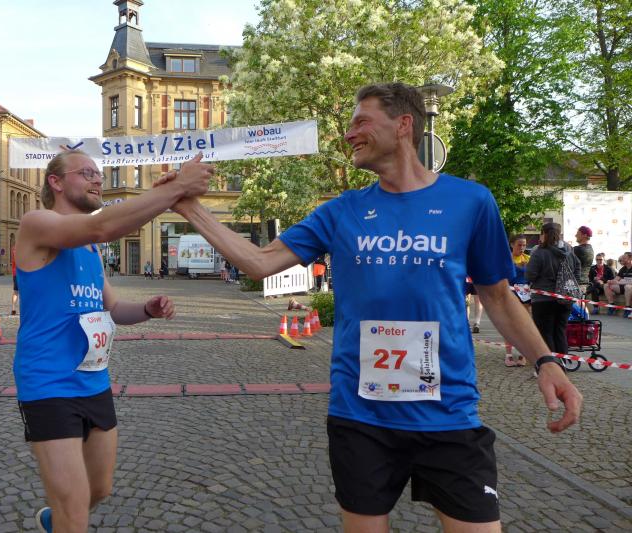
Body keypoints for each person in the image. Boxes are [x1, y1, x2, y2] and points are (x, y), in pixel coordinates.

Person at [166, 82, 582, 532]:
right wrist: (191, 208)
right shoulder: (341, 211)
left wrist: (546, 361)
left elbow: (497, 296)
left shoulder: (470, 201)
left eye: (361, 121)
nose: (349, 134)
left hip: (448, 413)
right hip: (360, 417)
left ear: (403, 125)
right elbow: (260, 262)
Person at [14, 149, 212, 533]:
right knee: (75, 507)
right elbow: (101, 226)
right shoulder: (37, 223)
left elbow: (114, 308)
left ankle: (54, 521)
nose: (97, 179)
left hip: (94, 381)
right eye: (86, 173)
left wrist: (148, 309)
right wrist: (175, 190)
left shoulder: (90, 251)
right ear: (56, 181)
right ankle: (66, 520)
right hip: (48, 383)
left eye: (99, 174)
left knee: (99, 489)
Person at [526, 222, 581, 358]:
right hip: (565, 297)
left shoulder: (539, 252)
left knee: (546, 333)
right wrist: (572, 282)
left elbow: (530, 275)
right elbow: (578, 267)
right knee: (560, 331)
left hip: (543, 298)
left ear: (544, 234)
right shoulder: (569, 251)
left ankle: (550, 364)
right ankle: (562, 363)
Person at [504, 235, 531, 366]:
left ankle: (522, 354)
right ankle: (508, 355)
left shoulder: (528, 259)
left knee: (524, 325)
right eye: (519, 245)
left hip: (525, 297)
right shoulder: (506, 258)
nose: (522, 248)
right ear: (512, 245)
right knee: (509, 325)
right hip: (510, 294)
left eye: (524, 245)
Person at [604, 252, 632, 317]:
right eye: (623, 258)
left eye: (624, 258)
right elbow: (616, 279)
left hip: (629, 288)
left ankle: (628, 308)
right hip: (623, 287)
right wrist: (611, 281)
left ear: (630, 258)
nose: (622, 259)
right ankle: (612, 306)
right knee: (606, 285)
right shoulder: (623, 269)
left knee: (628, 287)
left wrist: (620, 282)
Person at [573, 226, 594, 292]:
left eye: (578, 233)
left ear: (584, 235)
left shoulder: (578, 249)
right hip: (583, 282)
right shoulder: (590, 248)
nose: (575, 235)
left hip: (577, 283)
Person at [10, 246, 19, 315]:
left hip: (15, 273)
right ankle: (24, 310)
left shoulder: (14, 249)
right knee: (24, 292)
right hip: (23, 274)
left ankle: (13, 309)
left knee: (15, 292)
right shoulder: (25, 248)